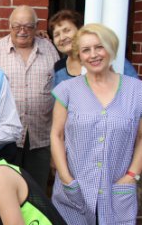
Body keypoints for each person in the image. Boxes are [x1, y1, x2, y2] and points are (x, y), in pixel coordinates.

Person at [50, 23, 142, 224]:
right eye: (85, 50)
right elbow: (56, 135)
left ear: (111, 48)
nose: (93, 54)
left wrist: (132, 175)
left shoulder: (136, 90)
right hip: (74, 191)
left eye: (99, 47)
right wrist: (66, 178)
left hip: (116, 190)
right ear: (79, 56)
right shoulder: (67, 90)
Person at [0, 5, 59, 191]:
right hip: (6, 140)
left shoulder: (49, 50)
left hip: (40, 137)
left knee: (37, 191)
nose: (22, 31)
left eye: (28, 26)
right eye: (17, 26)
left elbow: (59, 90)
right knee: (5, 191)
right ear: (9, 26)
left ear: (37, 26)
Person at [49, 9, 139, 86]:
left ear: (80, 30)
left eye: (67, 30)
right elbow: (58, 101)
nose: (62, 38)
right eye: (56, 35)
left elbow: (136, 91)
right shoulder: (59, 67)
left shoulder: (106, 58)